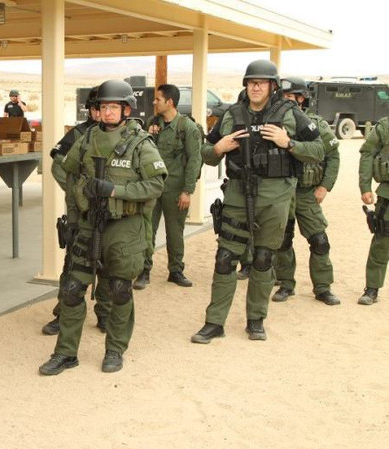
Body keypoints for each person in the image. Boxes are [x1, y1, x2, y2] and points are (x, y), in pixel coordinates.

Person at [191, 59, 324, 344]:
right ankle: (214, 322)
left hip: (275, 197)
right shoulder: (231, 114)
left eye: (262, 83)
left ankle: (256, 320)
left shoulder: (290, 113)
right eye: (252, 82)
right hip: (238, 193)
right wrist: (217, 148)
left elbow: (318, 150)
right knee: (225, 258)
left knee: (263, 258)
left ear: (272, 86)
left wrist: (288, 143)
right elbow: (205, 152)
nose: (256, 87)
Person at [39, 79, 167, 375]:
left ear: (126, 110)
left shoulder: (140, 143)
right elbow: (69, 173)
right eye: (103, 107)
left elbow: (156, 184)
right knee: (72, 289)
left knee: (119, 289)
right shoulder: (86, 139)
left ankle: (115, 349)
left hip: (124, 227)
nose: (107, 112)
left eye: (113, 107)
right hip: (88, 224)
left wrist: (114, 191)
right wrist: (75, 211)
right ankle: (65, 353)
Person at [42, 86, 111, 336]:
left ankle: (105, 314)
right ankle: (63, 313)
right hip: (81, 213)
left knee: (107, 265)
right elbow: (58, 166)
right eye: (96, 108)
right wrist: (79, 193)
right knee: (73, 264)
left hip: (109, 210)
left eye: (105, 107)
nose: (100, 113)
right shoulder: (79, 134)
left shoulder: (120, 135)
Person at [271, 77, 340, 305]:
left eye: (291, 97)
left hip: (306, 193)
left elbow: (332, 156)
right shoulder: (273, 124)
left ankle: (322, 287)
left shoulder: (315, 125)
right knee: (282, 240)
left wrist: (325, 186)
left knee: (319, 240)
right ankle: (285, 284)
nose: (286, 101)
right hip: (282, 192)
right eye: (283, 96)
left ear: (301, 99)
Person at [134, 84, 202, 290]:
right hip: (152, 188)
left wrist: (187, 191)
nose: (154, 102)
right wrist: (147, 134)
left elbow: (194, 160)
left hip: (175, 189)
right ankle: (144, 270)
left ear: (169, 102)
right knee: (147, 230)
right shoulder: (152, 123)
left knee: (175, 232)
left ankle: (176, 271)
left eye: (158, 99)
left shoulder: (187, 127)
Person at [358, 116, 389, 305]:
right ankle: (372, 288)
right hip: (388, 193)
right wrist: (365, 186)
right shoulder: (385, 126)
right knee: (382, 242)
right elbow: (367, 153)